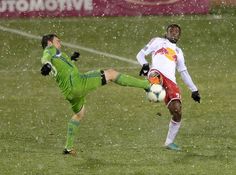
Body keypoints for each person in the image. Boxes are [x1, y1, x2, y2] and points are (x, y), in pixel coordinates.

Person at [40, 34, 150, 156]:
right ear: (50, 43)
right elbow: (45, 58)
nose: (60, 44)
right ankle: (146, 85)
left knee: (79, 114)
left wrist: (71, 59)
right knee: (111, 74)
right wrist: (46, 65)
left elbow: (62, 67)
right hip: (78, 84)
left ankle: (68, 147)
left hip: (69, 93)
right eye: (57, 41)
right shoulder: (50, 50)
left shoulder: (58, 55)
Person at [136, 24, 201, 151]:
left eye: (177, 32)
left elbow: (183, 71)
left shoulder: (178, 52)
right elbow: (140, 55)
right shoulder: (157, 41)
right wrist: (144, 65)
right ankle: (152, 90)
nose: (174, 33)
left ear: (179, 36)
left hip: (171, 81)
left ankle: (169, 143)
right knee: (155, 78)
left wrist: (194, 90)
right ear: (166, 33)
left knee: (177, 112)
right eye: (171, 30)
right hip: (156, 73)